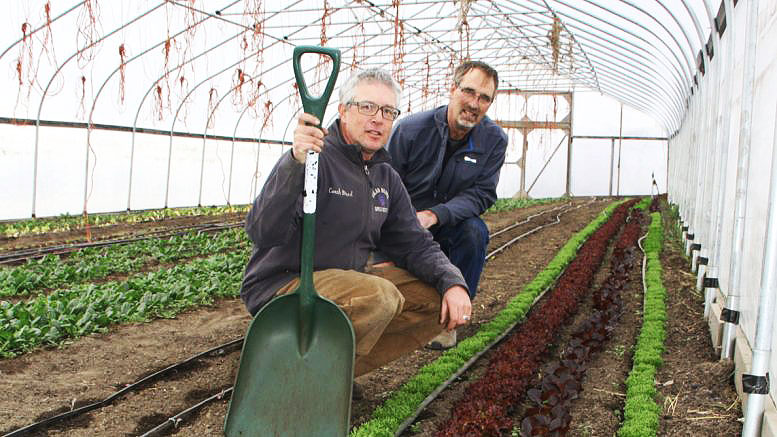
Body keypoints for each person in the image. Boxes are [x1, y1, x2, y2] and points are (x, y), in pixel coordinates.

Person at [239, 68, 472, 382]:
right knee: (380, 297)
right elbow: (262, 230)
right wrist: (294, 163)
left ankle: (328, 376)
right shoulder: (314, 160)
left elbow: (415, 242)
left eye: (388, 111)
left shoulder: (385, 176)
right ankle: (297, 376)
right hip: (287, 284)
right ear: (343, 111)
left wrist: (452, 282)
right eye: (367, 107)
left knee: (436, 301)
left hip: (349, 282)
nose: (378, 118)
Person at [386, 61, 508, 349]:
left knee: (474, 233)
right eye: (469, 91)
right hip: (406, 223)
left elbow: (482, 193)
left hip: (450, 221)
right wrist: (404, 221)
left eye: (484, 98)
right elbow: (385, 183)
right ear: (452, 89)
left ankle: (448, 320)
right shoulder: (410, 130)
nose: (474, 103)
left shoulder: (493, 140)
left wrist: (436, 215)